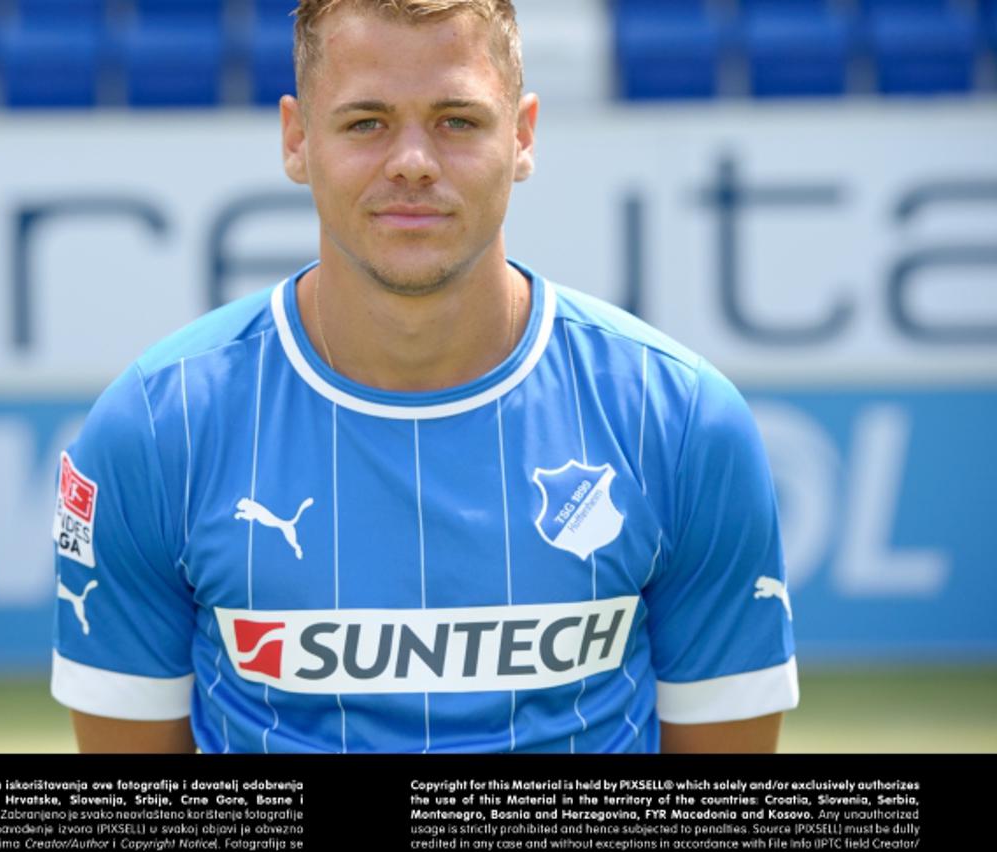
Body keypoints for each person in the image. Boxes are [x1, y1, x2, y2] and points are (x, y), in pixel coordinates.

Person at [50, 0, 797, 754]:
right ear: (297, 139)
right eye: (366, 122)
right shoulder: (151, 429)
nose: (412, 161)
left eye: (457, 121)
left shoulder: (682, 422)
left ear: (523, 135)